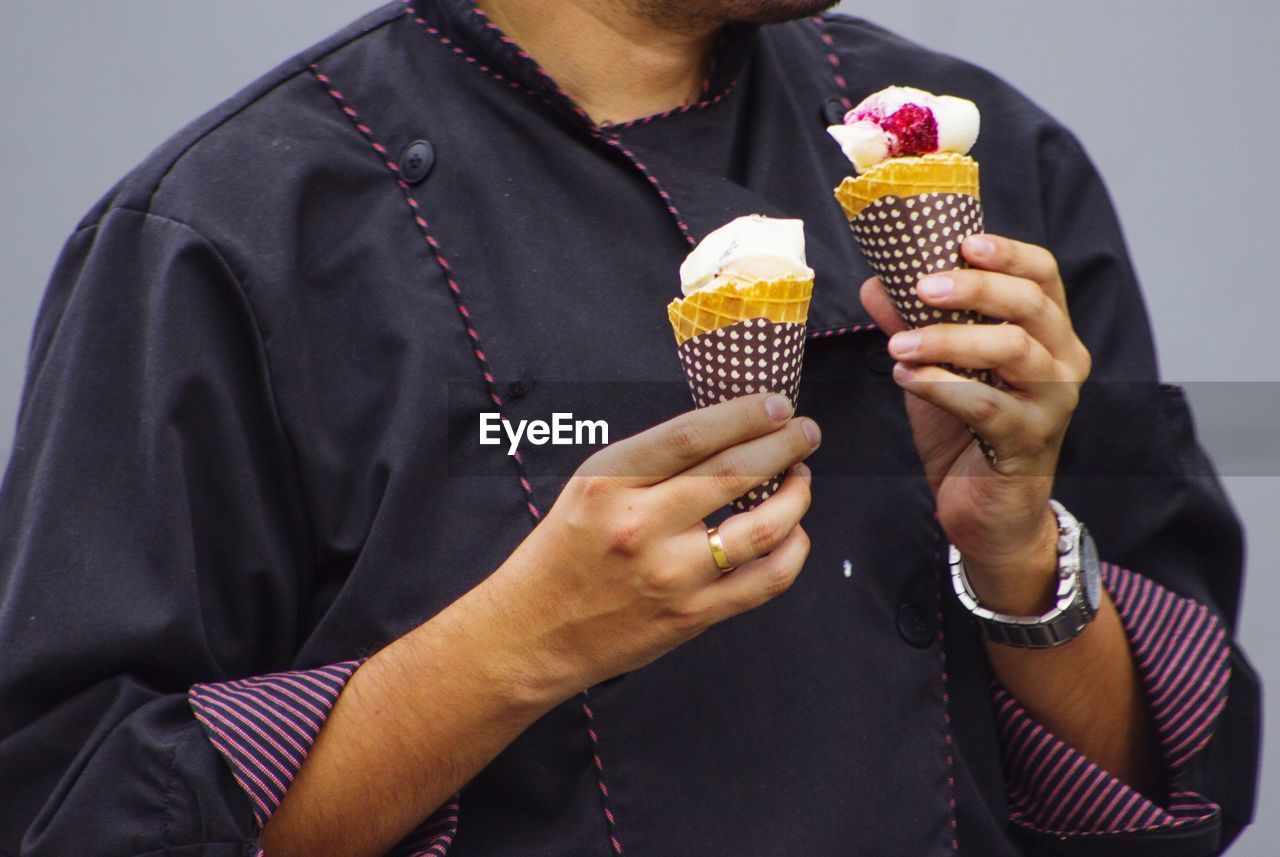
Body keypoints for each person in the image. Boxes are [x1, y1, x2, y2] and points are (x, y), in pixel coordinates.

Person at [0, 0, 1259, 855]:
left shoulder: (991, 165)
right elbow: (81, 813)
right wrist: (513, 647)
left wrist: (1019, 556)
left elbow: (1179, 784)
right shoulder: (227, 238)